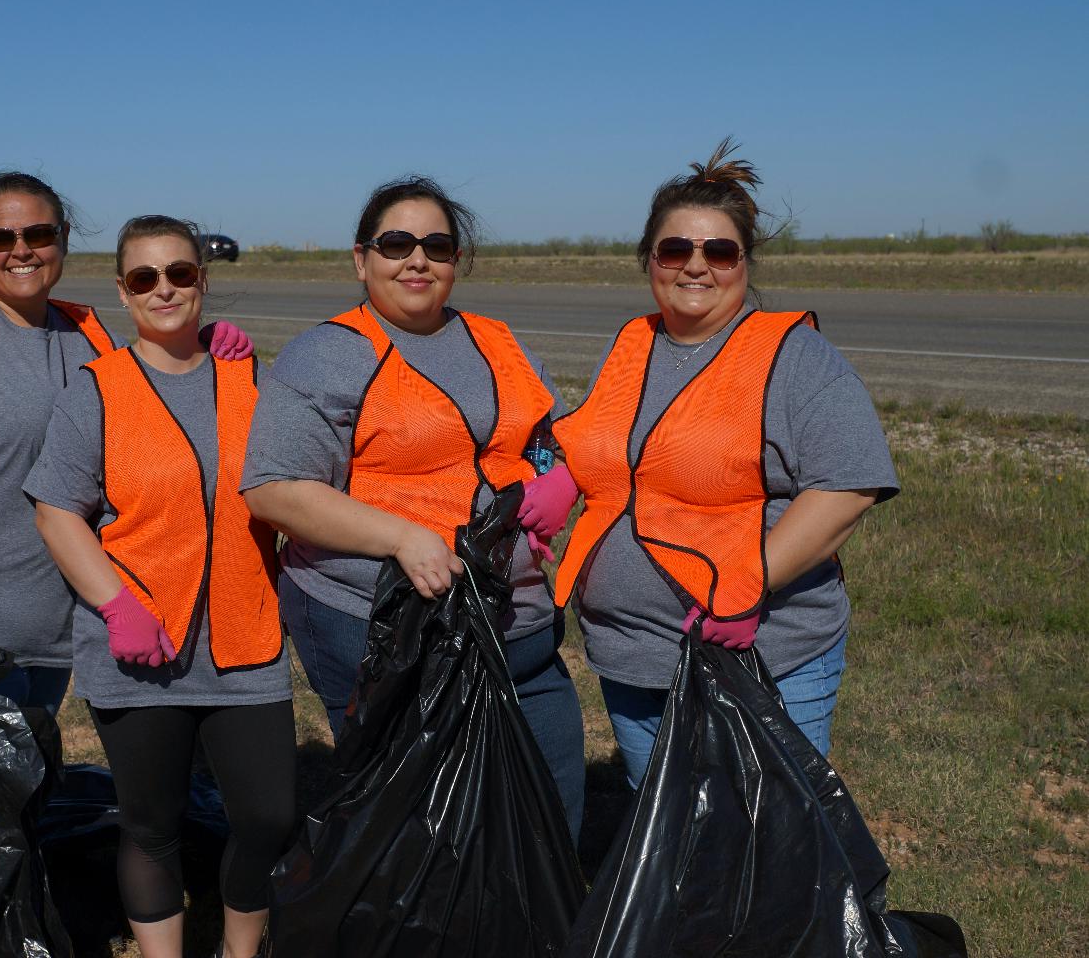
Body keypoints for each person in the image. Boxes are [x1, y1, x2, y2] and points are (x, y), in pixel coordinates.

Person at [241, 176, 587, 846]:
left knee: (550, 806)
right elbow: (275, 488)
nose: (417, 259)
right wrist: (402, 537)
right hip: (380, 625)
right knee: (419, 830)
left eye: (437, 245)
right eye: (396, 243)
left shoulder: (497, 340)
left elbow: (566, 432)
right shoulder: (329, 354)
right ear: (361, 258)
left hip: (517, 620)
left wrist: (564, 477)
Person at [552, 140, 899, 789]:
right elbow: (611, 447)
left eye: (719, 251)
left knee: (769, 838)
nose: (696, 267)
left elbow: (847, 485)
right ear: (649, 260)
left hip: (758, 654)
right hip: (630, 656)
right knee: (669, 842)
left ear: (745, 262)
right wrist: (562, 479)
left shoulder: (791, 354)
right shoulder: (632, 341)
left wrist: (750, 583)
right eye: (676, 250)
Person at [0, 172, 252, 713]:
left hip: (59, 621)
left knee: (30, 784)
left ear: (63, 238)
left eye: (39, 234)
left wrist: (200, 345)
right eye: (0, 238)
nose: (21, 250)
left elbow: (152, 393)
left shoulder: (91, 338)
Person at [27, 216, 294, 958]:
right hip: (141, 652)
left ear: (203, 281)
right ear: (122, 291)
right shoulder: (97, 391)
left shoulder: (253, 378)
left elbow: (299, 485)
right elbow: (56, 510)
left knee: (269, 815)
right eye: (145, 278)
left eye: (181, 273)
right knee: (152, 824)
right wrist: (116, 605)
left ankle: (240, 952)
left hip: (246, 643)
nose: (165, 289)